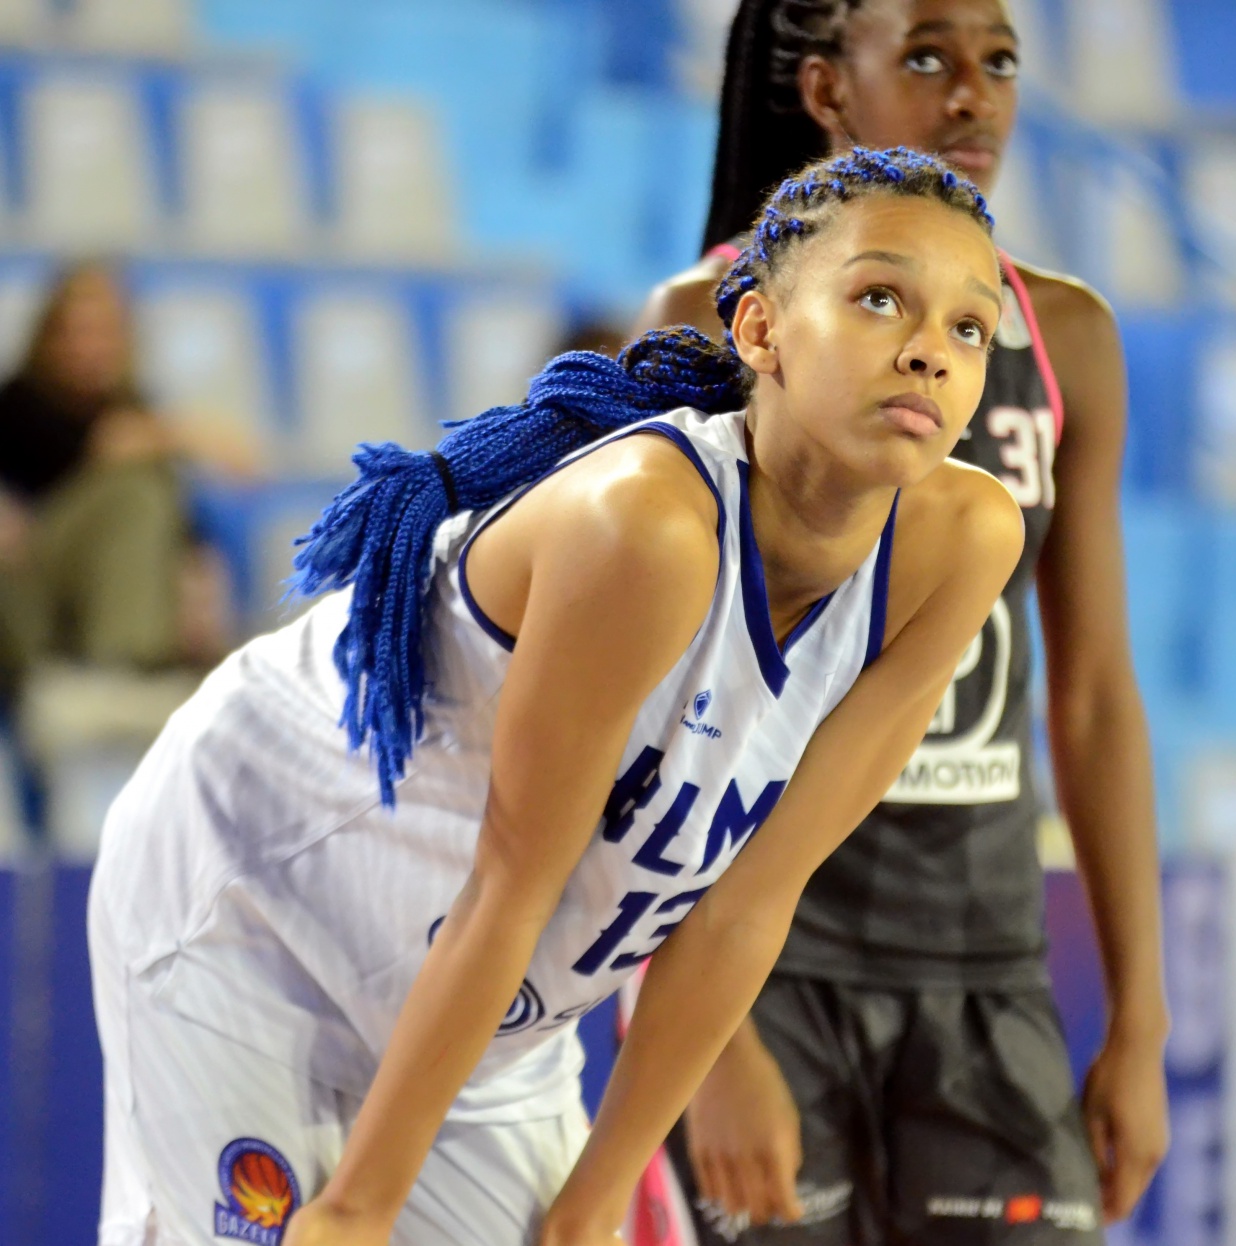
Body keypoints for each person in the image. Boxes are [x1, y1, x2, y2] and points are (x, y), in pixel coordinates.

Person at [88, 147, 1023, 1246]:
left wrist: (592, 1203)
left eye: (970, 327)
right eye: (879, 299)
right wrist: (358, 1207)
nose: (929, 351)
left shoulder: (964, 542)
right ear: (760, 331)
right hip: (255, 901)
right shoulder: (646, 527)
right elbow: (510, 883)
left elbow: (742, 906)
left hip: (479, 1000)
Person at [633, 2, 1169, 1242]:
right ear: (826, 90)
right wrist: (700, 1035)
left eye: (998, 61)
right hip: (759, 964)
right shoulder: (710, 317)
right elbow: (646, 708)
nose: (971, 93)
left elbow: (1092, 695)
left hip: (987, 961)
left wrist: (1139, 1022)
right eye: (924, 57)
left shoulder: (1065, 339)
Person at [0, 262, 239, 706]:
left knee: (171, 520)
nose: (88, 347)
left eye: (102, 332)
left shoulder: (131, 407)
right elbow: (106, 447)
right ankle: (128, 668)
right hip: (32, 604)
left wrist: (196, 562)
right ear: (47, 336)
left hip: (104, 601)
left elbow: (240, 468)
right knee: (137, 492)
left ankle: (149, 670)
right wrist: (181, 436)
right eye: (76, 332)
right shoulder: (18, 403)